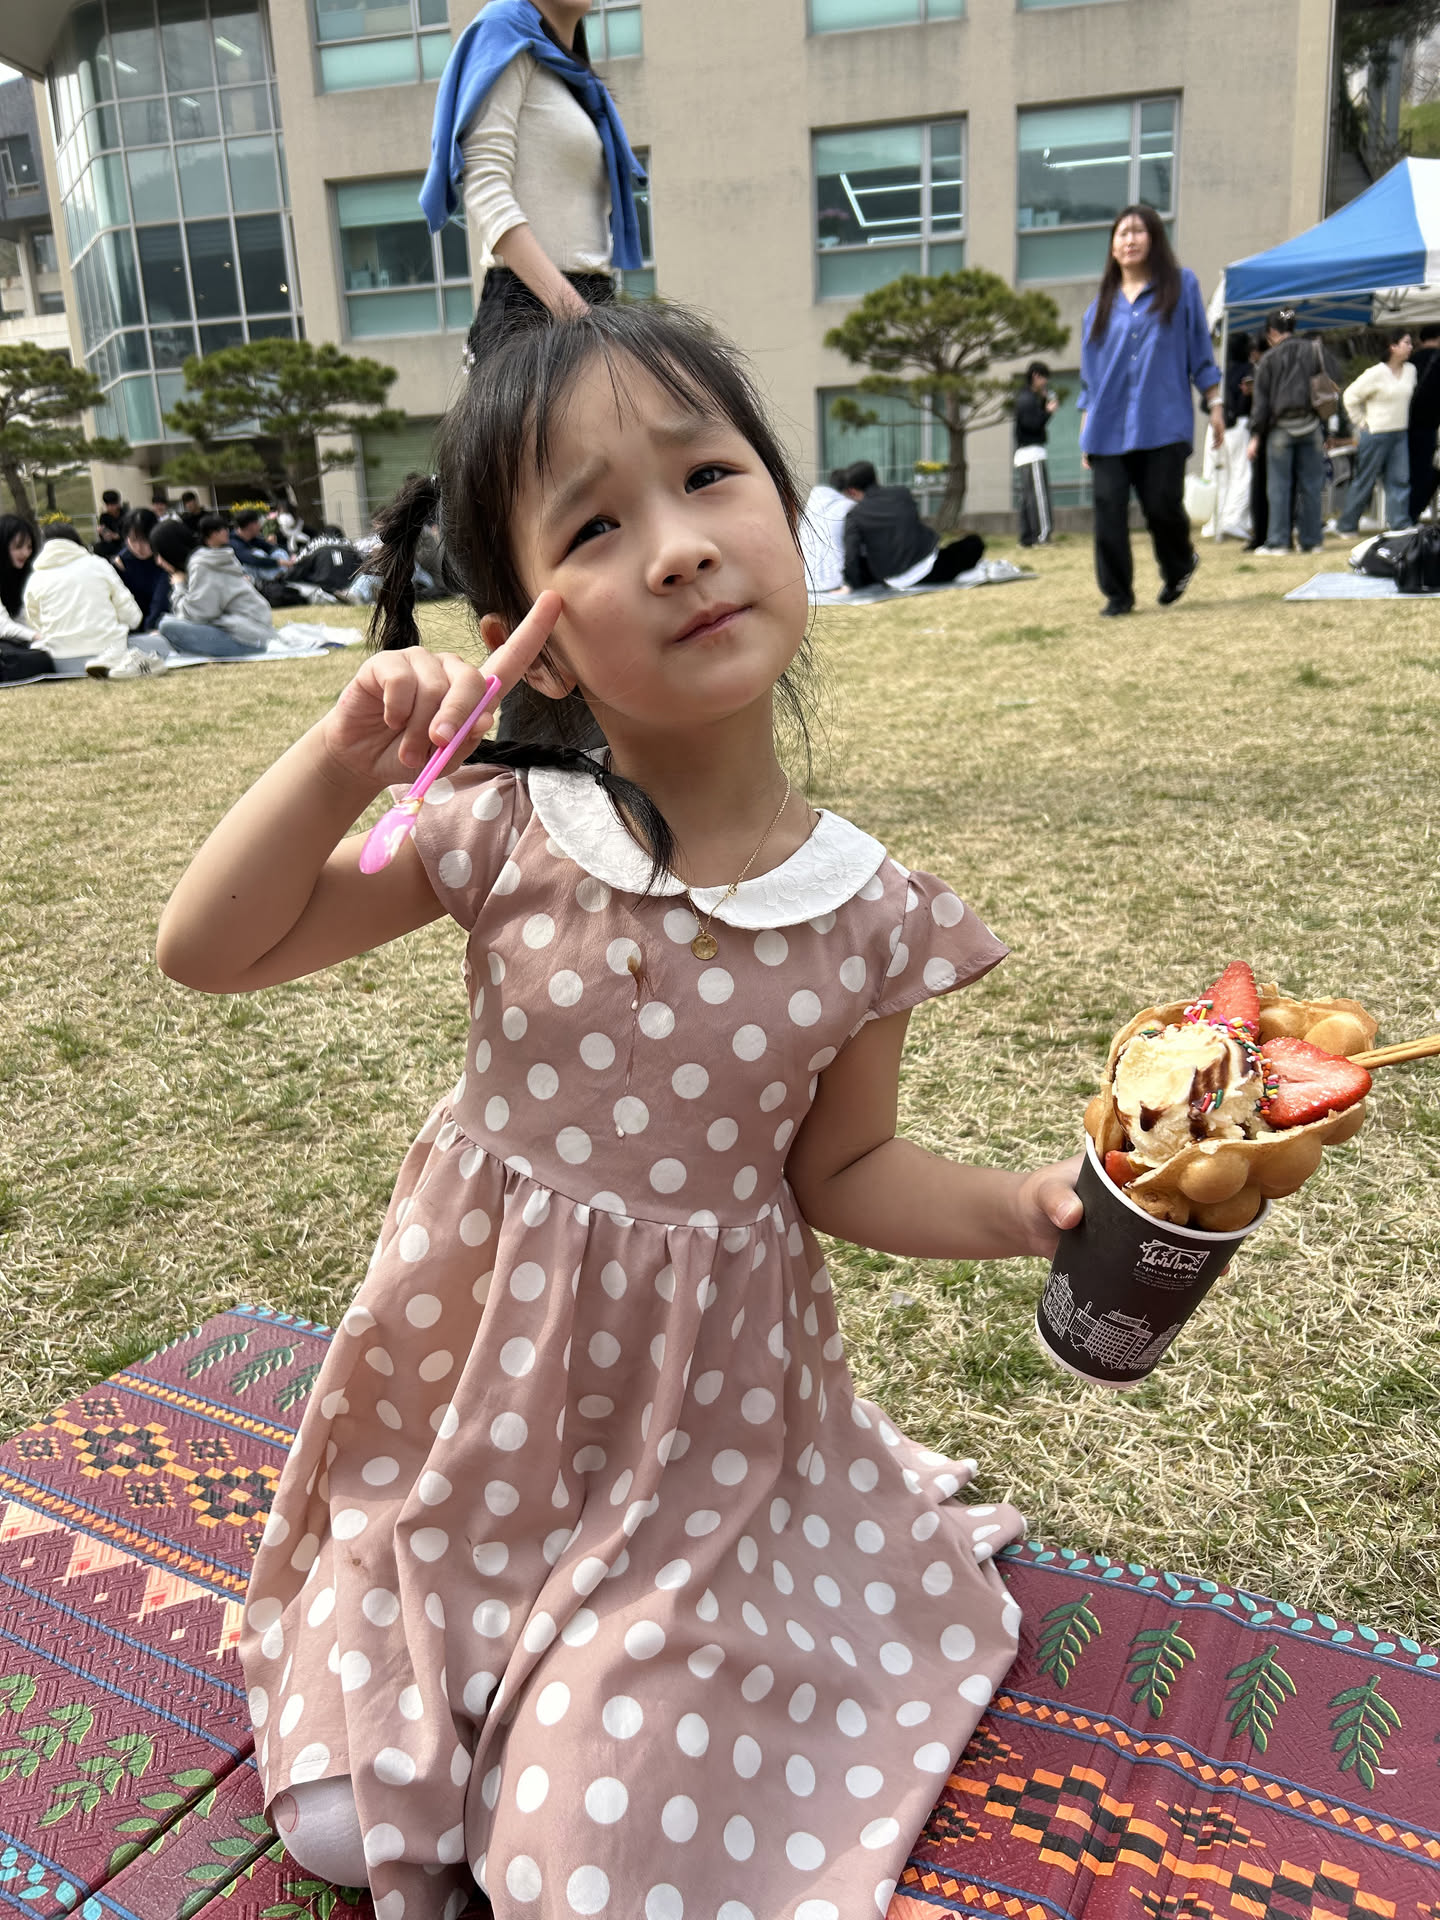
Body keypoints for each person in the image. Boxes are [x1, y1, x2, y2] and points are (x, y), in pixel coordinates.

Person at [157, 300, 1082, 1914]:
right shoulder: (506, 828)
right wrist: (338, 757)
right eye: (594, 526)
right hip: (463, 1434)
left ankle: (612, 1699)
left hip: (701, 1464)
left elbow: (844, 1168)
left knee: (573, 1862)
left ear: (785, 508)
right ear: (534, 637)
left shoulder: (866, 911)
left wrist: (1022, 1210)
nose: (678, 549)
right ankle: (464, 1654)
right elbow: (208, 950)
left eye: (710, 476)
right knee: (337, 1825)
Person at [420, 0, 646, 365]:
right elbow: (485, 186)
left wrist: (589, 314)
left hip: (588, 301)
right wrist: (573, 311)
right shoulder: (504, 34)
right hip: (533, 311)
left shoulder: (572, 80)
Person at [1078, 204, 1223, 615]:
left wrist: (1215, 403)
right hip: (1107, 426)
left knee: (1161, 505)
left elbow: (1199, 349)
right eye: (1122, 233)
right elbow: (1091, 378)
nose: (1130, 240)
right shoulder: (1098, 308)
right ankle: (1118, 594)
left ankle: (1179, 564)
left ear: (1155, 238)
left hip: (1163, 420)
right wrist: (1086, 430)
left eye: (1139, 231)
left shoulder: (1181, 286)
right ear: (1112, 247)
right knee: (1108, 507)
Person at [1246, 309, 1336, 556]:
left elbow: (1261, 404)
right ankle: (1312, 540)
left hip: (1281, 429)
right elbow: (1331, 381)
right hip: (1311, 425)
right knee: (1312, 486)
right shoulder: (1315, 351)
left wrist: (1256, 436)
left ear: (1272, 332)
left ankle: (1278, 541)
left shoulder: (1268, 359)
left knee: (1279, 487)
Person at [23, 522, 150, 674]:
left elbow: (34, 623)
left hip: (59, 659)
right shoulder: (98, 565)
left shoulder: (36, 578)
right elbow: (133, 617)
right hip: (109, 651)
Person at [841, 460, 984, 591]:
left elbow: (851, 557)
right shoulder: (902, 494)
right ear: (876, 478)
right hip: (930, 568)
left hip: (893, 578)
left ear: (852, 490)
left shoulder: (854, 516)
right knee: (973, 543)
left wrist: (856, 585)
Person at [152, 517, 275, 658]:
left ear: (169, 550)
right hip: (251, 629)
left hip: (247, 638)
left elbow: (198, 614)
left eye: (159, 554)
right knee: (168, 621)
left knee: (166, 627)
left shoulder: (201, 564)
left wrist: (179, 586)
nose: (158, 561)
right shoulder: (204, 559)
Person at [1338, 330, 1416, 534]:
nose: (1410, 347)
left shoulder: (1411, 370)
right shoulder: (1375, 373)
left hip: (1400, 432)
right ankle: (1346, 525)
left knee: (1400, 479)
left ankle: (1399, 524)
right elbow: (1350, 396)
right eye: (1406, 343)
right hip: (1376, 433)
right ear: (1393, 346)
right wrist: (1361, 421)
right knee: (1365, 480)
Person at [0, 514, 55, 680]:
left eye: (29, 547)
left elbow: (23, 618)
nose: (25, 553)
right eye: (18, 547)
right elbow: (3, 626)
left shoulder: (21, 576)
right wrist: (37, 636)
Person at [1013, 361, 1058, 548]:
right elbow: (1032, 424)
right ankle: (1042, 536)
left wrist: (1043, 404)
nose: (1045, 382)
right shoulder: (1027, 399)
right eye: (1044, 378)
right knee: (1039, 497)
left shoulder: (1026, 397)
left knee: (1028, 499)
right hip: (1032, 453)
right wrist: (1048, 412)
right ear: (1036, 376)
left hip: (1024, 454)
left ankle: (1027, 538)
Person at [796, 465, 852, 592]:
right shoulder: (848, 506)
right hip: (837, 582)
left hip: (807, 581)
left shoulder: (811, 506)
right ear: (850, 488)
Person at [1407, 322, 1440, 523]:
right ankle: (1413, 512)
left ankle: (1406, 513)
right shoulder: (1438, 359)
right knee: (1426, 471)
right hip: (1429, 425)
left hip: (1404, 424)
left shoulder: (1409, 360)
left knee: (1406, 472)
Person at [230, 509, 292, 580]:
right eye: (258, 523)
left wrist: (289, 557)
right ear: (251, 526)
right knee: (258, 553)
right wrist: (278, 562)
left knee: (279, 552)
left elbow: (270, 547)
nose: (260, 526)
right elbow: (252, 560)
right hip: (247, 575)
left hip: (264, 572)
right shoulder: (234, 542)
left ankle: (286, 572)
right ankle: (281, 574)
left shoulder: (252, 538)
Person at [93, 488, 127, 562]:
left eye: (112, 505)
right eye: (107, 505)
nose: (110, 508)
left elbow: (128, 533)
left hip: (124, 542)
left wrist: (116, 536)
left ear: (118, 503)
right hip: (111, 543)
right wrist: (103, 533)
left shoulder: (125, 515)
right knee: (98, 547)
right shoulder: (104, 517)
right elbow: (104, 536)